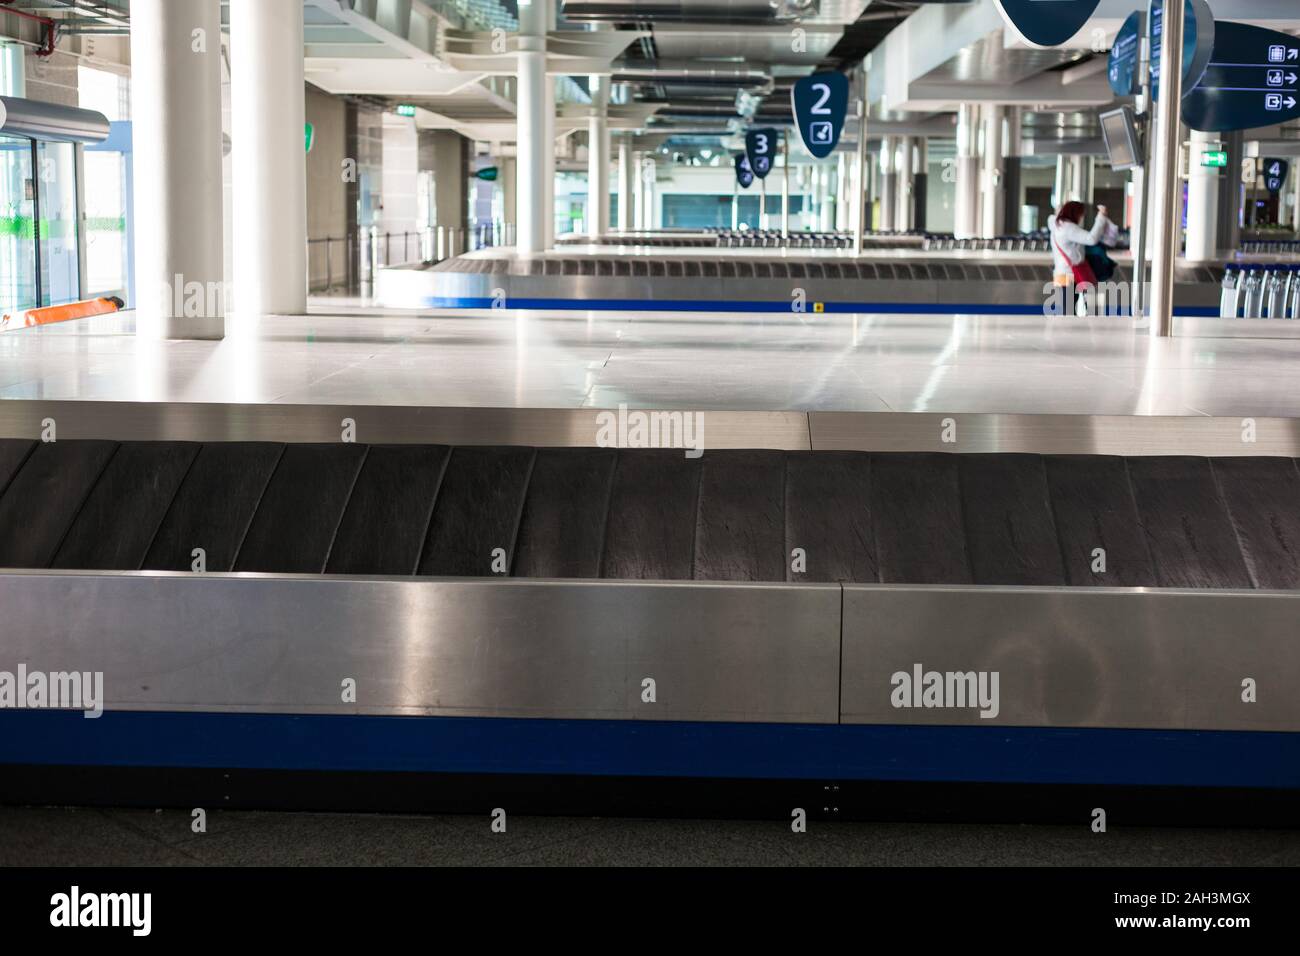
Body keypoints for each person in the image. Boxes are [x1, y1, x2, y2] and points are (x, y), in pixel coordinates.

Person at [1048, 201, 1112, 292]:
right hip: (1069, 274)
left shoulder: (1057, 225)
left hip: (1061, 273)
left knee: (1066, 305)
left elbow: (1051, 219)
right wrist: (1101, 216)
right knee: (1068, 305)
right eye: (1081, 214)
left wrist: (1059, 211)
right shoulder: (1068, 228)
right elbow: (1091, 239)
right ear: (1074, 213)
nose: (1081, 218)